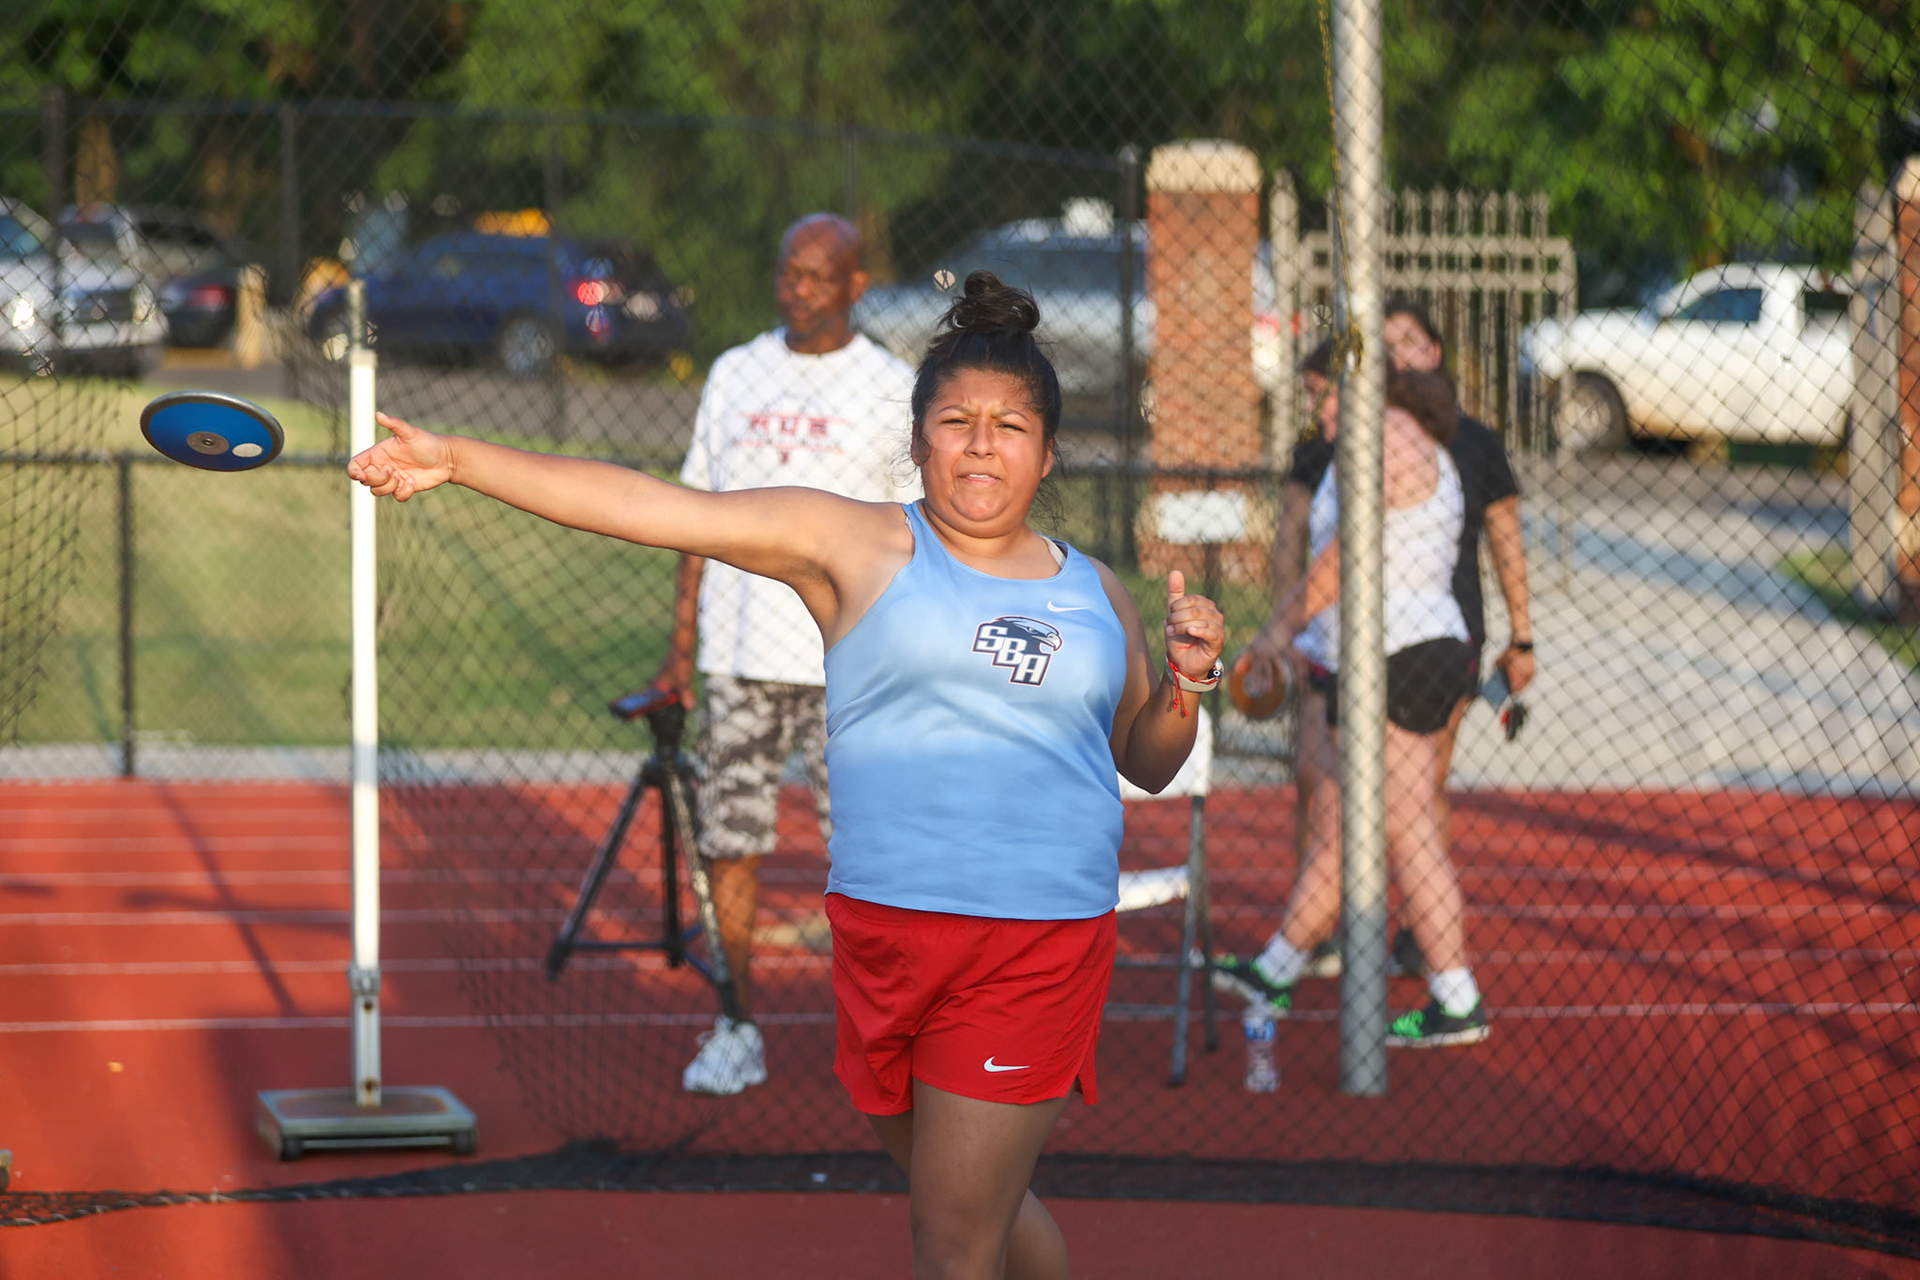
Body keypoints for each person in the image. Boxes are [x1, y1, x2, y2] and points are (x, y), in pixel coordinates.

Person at [347, 271, 1226, 1280]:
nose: (982, 442)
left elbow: (1144, 759)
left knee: (950, 1238)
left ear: (1049, 450)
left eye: (1010, 425)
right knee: (979, 1207)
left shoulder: (1094, 587)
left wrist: (1187, 682)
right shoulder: (851, 542)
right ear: (918, 437)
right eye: (957, 420)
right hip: (884, 939)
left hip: (1030, 941)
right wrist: (461, 458)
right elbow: (652, 507)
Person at [654, 212, 920, 1095]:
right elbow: (694, 514)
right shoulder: (736, 372)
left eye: (814, 276)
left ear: (854, 285)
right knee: (730, 846)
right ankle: (735, 1025)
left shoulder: (889, 384)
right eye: (786, 272)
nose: (794, 288)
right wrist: (679, 649)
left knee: (871, 858)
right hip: (736, 659)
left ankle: (886, 1042)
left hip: (850, 665)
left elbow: (913, 536)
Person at [1217, 369, 1490, 1047]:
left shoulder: (1391, 438)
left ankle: (1457, 997)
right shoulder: (1380, 442)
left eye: (1327, 394)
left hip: (1403, 655)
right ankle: (1276, 969)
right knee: (1341, 823)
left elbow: (1347, 559)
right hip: (1371, 656)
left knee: (1407, 825)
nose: (1318, 408)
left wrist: (1277, 632)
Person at [1380, 297, 1535, 978]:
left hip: (1445, 639)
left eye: (1410, 342)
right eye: (1385, 346)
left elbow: (1506, 536)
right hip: (1364, 639)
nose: (1398, 356)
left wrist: (1522, 637)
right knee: (1359, 789)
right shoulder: (1363, 438)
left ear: (1436, 352)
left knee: (1419, 787)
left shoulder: (1473, 442)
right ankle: (1335, 921)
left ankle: (1419, 930)